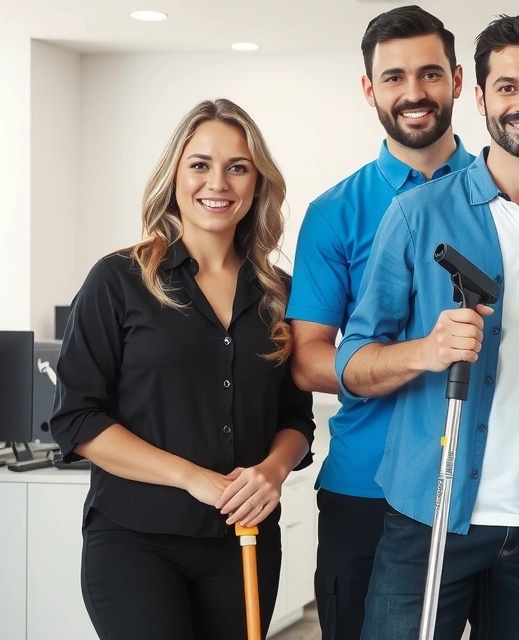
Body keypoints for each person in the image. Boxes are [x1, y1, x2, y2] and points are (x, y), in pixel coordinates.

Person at [335, 13, 519, 640]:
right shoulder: (416, 215)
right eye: (508, 87)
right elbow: (353, 362)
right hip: (428, 519)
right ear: (479, 97)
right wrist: (426, 350)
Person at [50, 98, 315, 640]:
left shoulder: (279, 294)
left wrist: (273, 471)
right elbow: (77, 419)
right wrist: (194, 479)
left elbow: (296, 419)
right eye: (200, 164)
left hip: (244, 538)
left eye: (237, 167)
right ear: (174, 175)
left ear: (257, 183)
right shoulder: (117, 280)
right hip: (135, 542)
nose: (217, 182)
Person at [284, 7, 473, 638]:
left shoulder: (501, 194)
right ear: (369, 88)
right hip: (367, 487)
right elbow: (308, 357)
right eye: (393, 77)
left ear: (457, 79)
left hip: (481, 489)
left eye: (430, 74)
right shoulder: (335, 212)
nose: (414, 92)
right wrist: (414, 358)